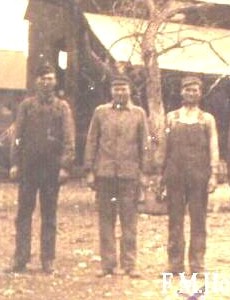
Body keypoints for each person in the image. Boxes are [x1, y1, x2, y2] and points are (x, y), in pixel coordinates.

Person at [9, 63, 75, 273]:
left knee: (49, 215)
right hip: (29, 168)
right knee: (23, 214)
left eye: (50, 78)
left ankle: (48, 260)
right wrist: (14, 163)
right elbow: (17, 137)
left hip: (51, 169)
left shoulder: (62, 107)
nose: (46, 82)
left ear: (55, 82)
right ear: (37, 82)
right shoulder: (26, 106)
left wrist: (65, 166)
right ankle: (20, 258)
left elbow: (69, 139)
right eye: (43, 78)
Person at [84, 75, 150, 278]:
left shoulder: (139, 114)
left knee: (129, 221)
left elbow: (144, 145)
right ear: (111, 91)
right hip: (105, 174)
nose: (120, 93)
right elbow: (92, 141)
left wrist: (144, 172)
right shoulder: (100, 112)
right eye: (116, 89)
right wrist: (89, 171)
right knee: (106, 220)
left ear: (130, 91)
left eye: (123, 89)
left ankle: (130, 264)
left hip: (129, 175)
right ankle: (108, 264)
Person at [162, 76, 219, 275]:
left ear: (200, 93)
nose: (191, 93)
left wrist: (213, 174)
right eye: (188, 90)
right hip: (175, 174)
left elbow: (214, 147)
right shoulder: (172, 117)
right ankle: (175, 264)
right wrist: (162, 176)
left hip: (198, 176)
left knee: (198, 220)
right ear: (181, 92)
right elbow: (164, 148)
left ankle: (197, 264)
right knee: (175, 220)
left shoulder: (207, 119)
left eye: (195, 90)